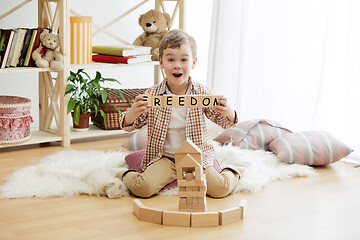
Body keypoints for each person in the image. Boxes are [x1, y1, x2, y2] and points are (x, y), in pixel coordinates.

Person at [116, 29, 242, 198]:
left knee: (219, 189)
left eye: (184, 59)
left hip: (196, 155)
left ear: (194, 62)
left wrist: (229, 113)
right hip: (164, 157)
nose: (177, 65)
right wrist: (131, 114)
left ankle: (232, 171)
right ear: (161, 62)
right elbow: (130, 124)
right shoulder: (152, 95)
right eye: (170, 59)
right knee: (143, 188)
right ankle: (122, 175)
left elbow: (224, 122)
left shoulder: (201, 92)